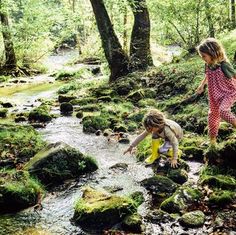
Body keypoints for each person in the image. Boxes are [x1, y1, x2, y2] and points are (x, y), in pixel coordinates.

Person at [196, 38, 236, 145]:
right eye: (201, 56)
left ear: (213, 53)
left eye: (204, 56)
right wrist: (202, 85)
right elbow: (207, 75)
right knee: (212, 116)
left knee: (223, 111)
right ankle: (212, 142)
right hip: (214, 94)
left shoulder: (224, 65)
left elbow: (235, 76)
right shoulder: (208, 64)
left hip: (228, 93)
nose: (202, 58)